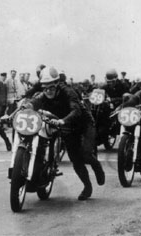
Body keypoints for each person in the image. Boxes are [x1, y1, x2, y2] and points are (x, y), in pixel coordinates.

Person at [25, 66, 105, 200]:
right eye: (44, 88)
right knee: (75, 159)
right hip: (66, 127)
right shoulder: (44, 94)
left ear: (57, 84)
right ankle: (87, 187)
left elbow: (76, 110)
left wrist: (63, 120)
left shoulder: (69, 92)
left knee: (85, 154)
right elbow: (35, 101)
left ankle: (96, 165)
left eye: (51, 87)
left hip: (84, 124)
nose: (48, 91)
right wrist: (26, 107)